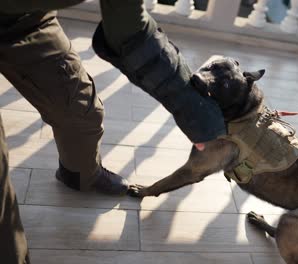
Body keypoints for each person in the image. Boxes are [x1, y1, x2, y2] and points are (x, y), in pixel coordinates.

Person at [0, 1, 226, 263]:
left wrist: (203, 118)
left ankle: (80, 175)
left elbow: (128, 29)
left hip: (23, 19)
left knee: (81, 110)